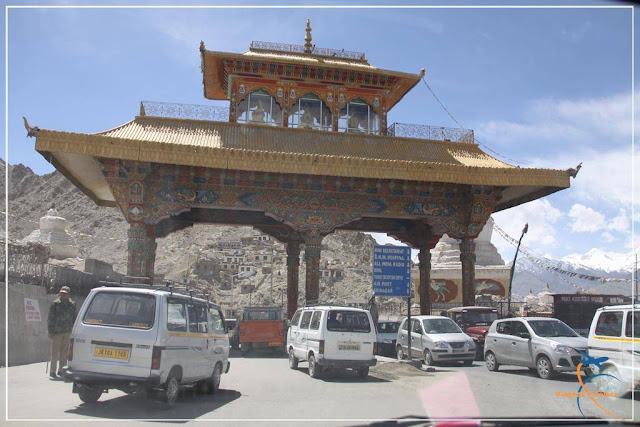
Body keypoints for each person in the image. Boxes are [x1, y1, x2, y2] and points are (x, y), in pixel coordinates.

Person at [47, 286, 76, 379]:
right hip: (57, 331)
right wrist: (50, 331)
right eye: (62, 293)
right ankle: (52, 371)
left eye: (65, 293)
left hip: (67, 331)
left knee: (64, 353)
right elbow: (51, 318)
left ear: (68, 294)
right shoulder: (55, 304)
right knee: (55, 352)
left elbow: (74, 318)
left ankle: (61, 370)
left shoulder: (72, 304)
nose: (63, 295)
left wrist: (74, 330)